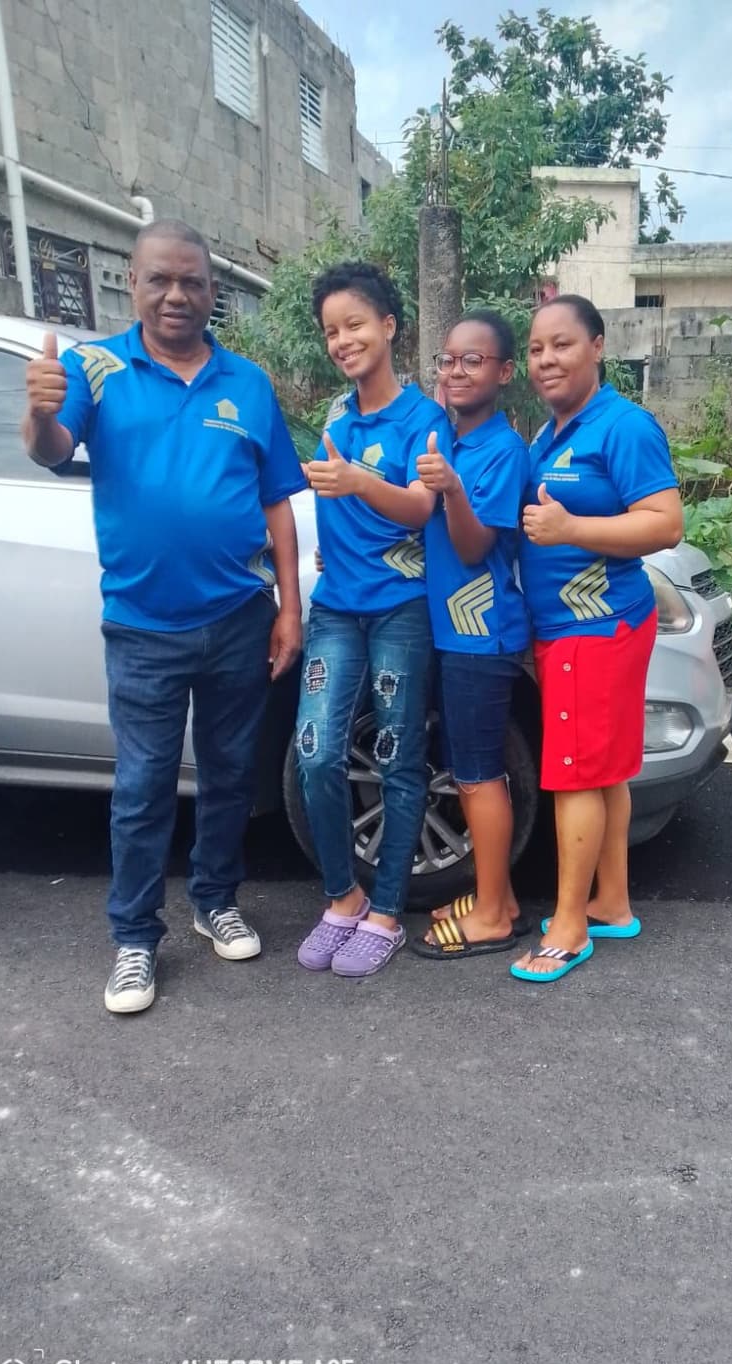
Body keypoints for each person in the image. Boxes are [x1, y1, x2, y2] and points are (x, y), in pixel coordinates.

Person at [22, 218, 304, 1015]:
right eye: (160, 279)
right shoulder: (95, 367)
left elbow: (277, 499)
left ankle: (215, 899)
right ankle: (135, 941)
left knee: (227, 778)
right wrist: (40, 413)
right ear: (132, 282)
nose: (177, 294)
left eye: (193, 281)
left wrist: (287, 607)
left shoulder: (247, 382)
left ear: (213, 292)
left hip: (239, 618)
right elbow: (50, 447)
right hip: (144, 626)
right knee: (143, 787)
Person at [513, 294, 683, 983]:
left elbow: (664, 523)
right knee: (605, 768)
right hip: (573, 629)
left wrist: (572, 531)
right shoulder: (551, 433)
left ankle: (569, 924)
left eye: (562, 344)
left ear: (598, 347)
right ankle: (611, 902)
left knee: (576, 773)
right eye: (535, 349)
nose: (546, 359)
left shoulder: (622, 426)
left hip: (596, 625)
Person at [294, 261, 451, 978]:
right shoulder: (334, 417)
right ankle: (343, 895)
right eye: (331, 330)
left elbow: (422, 508)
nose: (342, 340)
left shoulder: (424, 418)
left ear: (390, 326)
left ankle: (387, 911)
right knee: (315, 754)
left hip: (399, 611)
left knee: (397, 756)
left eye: (354, 324)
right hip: (336, 609)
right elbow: (332, 516)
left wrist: (359, 481)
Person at [412, 310, 532, 957]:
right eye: (448, 360)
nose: (456, 371)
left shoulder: (501, 451)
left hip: (481, 637)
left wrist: (452, 489)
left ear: (504, 372)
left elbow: (470, 544)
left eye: (473, 361)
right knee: (466, 770)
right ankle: (500, 896)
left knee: (482, 775)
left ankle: (492, 917)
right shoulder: (451, 439)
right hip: (457, 635)